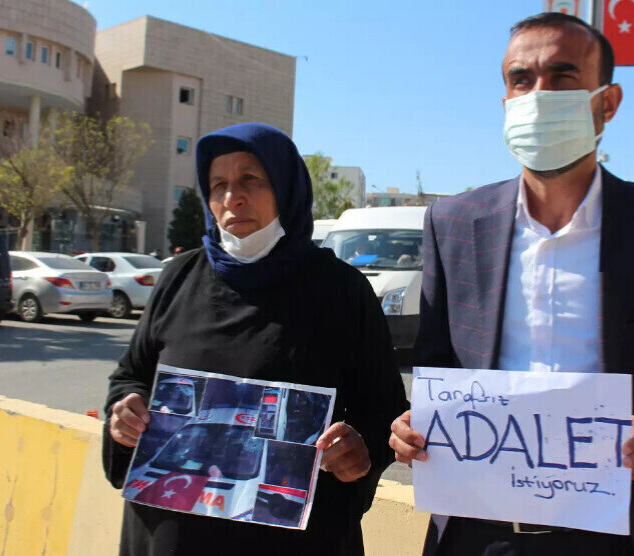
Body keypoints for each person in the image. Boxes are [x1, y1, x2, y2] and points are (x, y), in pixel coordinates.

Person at [388, 12, 634, 556]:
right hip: (480, 534)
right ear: (506, 101)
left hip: (626, 534)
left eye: (562, 77)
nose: (538, 95)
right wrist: (414, 425)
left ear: (607, 103)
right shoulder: (453, 223)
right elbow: (437, 366)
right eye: (521, 79)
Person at [103, 122, 408, 555]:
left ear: (286, 188)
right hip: (170, 532)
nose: (233, 198)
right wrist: (125, 412)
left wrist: (360, 451)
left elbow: (384, 409)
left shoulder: (341, 291)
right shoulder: (178, 278)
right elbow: (131, 375)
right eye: (218, 185)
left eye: (250, 179)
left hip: (293, 540)